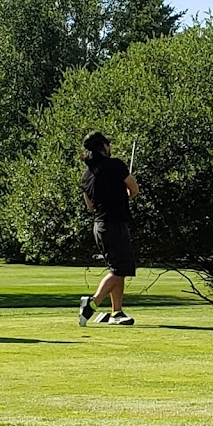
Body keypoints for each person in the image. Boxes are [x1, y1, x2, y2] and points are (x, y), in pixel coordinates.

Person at [79, 131, 139, 326]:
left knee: (117, 268)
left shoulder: (87, 176)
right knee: (121, 270)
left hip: (100, 225)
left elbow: (90, 206)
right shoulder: (117, 165)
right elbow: (134, 190)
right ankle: (92, 303)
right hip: (115, 224)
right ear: (103, 147)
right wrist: (123, 197)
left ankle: (117, 312)